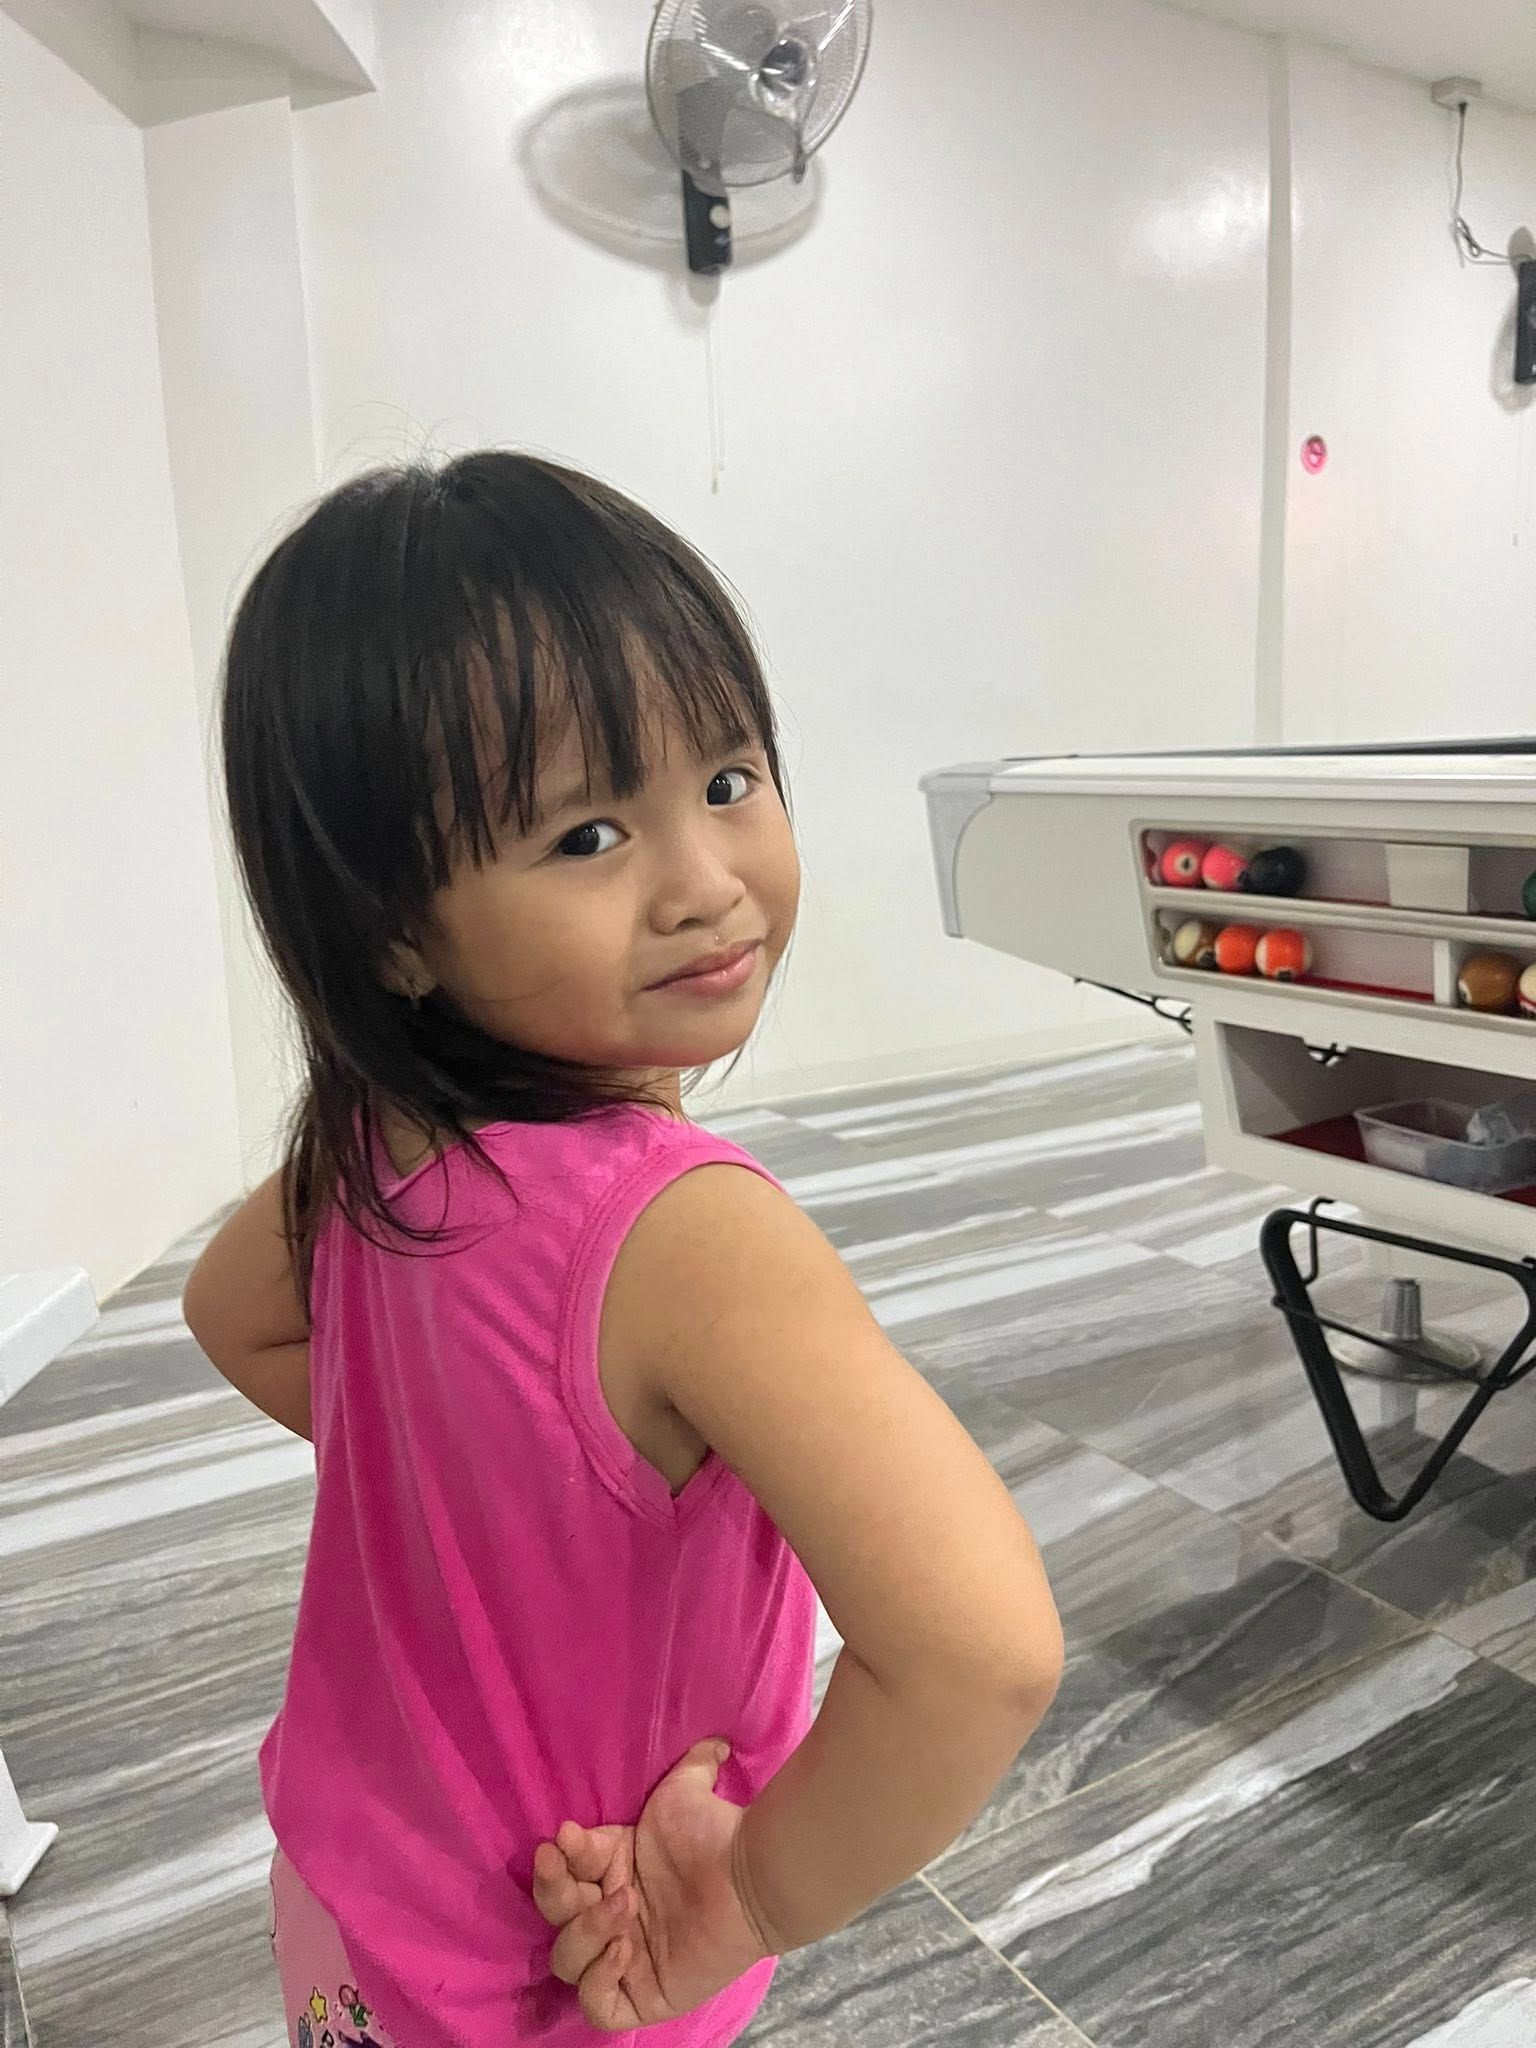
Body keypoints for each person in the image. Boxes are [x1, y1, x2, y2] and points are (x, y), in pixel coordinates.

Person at [183, 450, 1063, 2048]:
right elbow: (979, 1655)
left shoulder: (374, 1139)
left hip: (351, 1903)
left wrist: (497, 1513)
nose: (706, 883)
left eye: (727, 781)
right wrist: (739, 1899)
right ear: (390, 924)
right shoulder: (692, 1238)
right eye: (589, 834)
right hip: (571, 1965)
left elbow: (230, 1315)